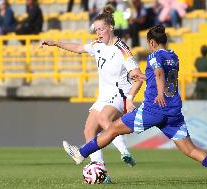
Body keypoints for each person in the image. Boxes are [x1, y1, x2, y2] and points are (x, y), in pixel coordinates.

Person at [63, 24, 207, 186]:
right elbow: (163, 76)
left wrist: (159, 92)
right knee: (190, 149)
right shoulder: (173, 56)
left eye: (148, 43)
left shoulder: (154, 56)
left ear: (152, 42)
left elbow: (159, 73)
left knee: (113, 129)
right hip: (173, 112)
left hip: (153, 109)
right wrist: (149, 80)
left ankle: (81, 154)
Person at [40, 5, 143, 183]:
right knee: (89, 130)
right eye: (96, 30)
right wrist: (56, 43)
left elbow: (138, 76)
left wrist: (130, 98)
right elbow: (79, 47)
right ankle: (101, 172)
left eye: (101, 29)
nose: (98, 33)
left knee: (105, 119)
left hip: (120, 94)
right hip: (104, 95)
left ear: (111, 27)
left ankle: (124, 151)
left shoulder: (123, 50)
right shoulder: (97, 46)